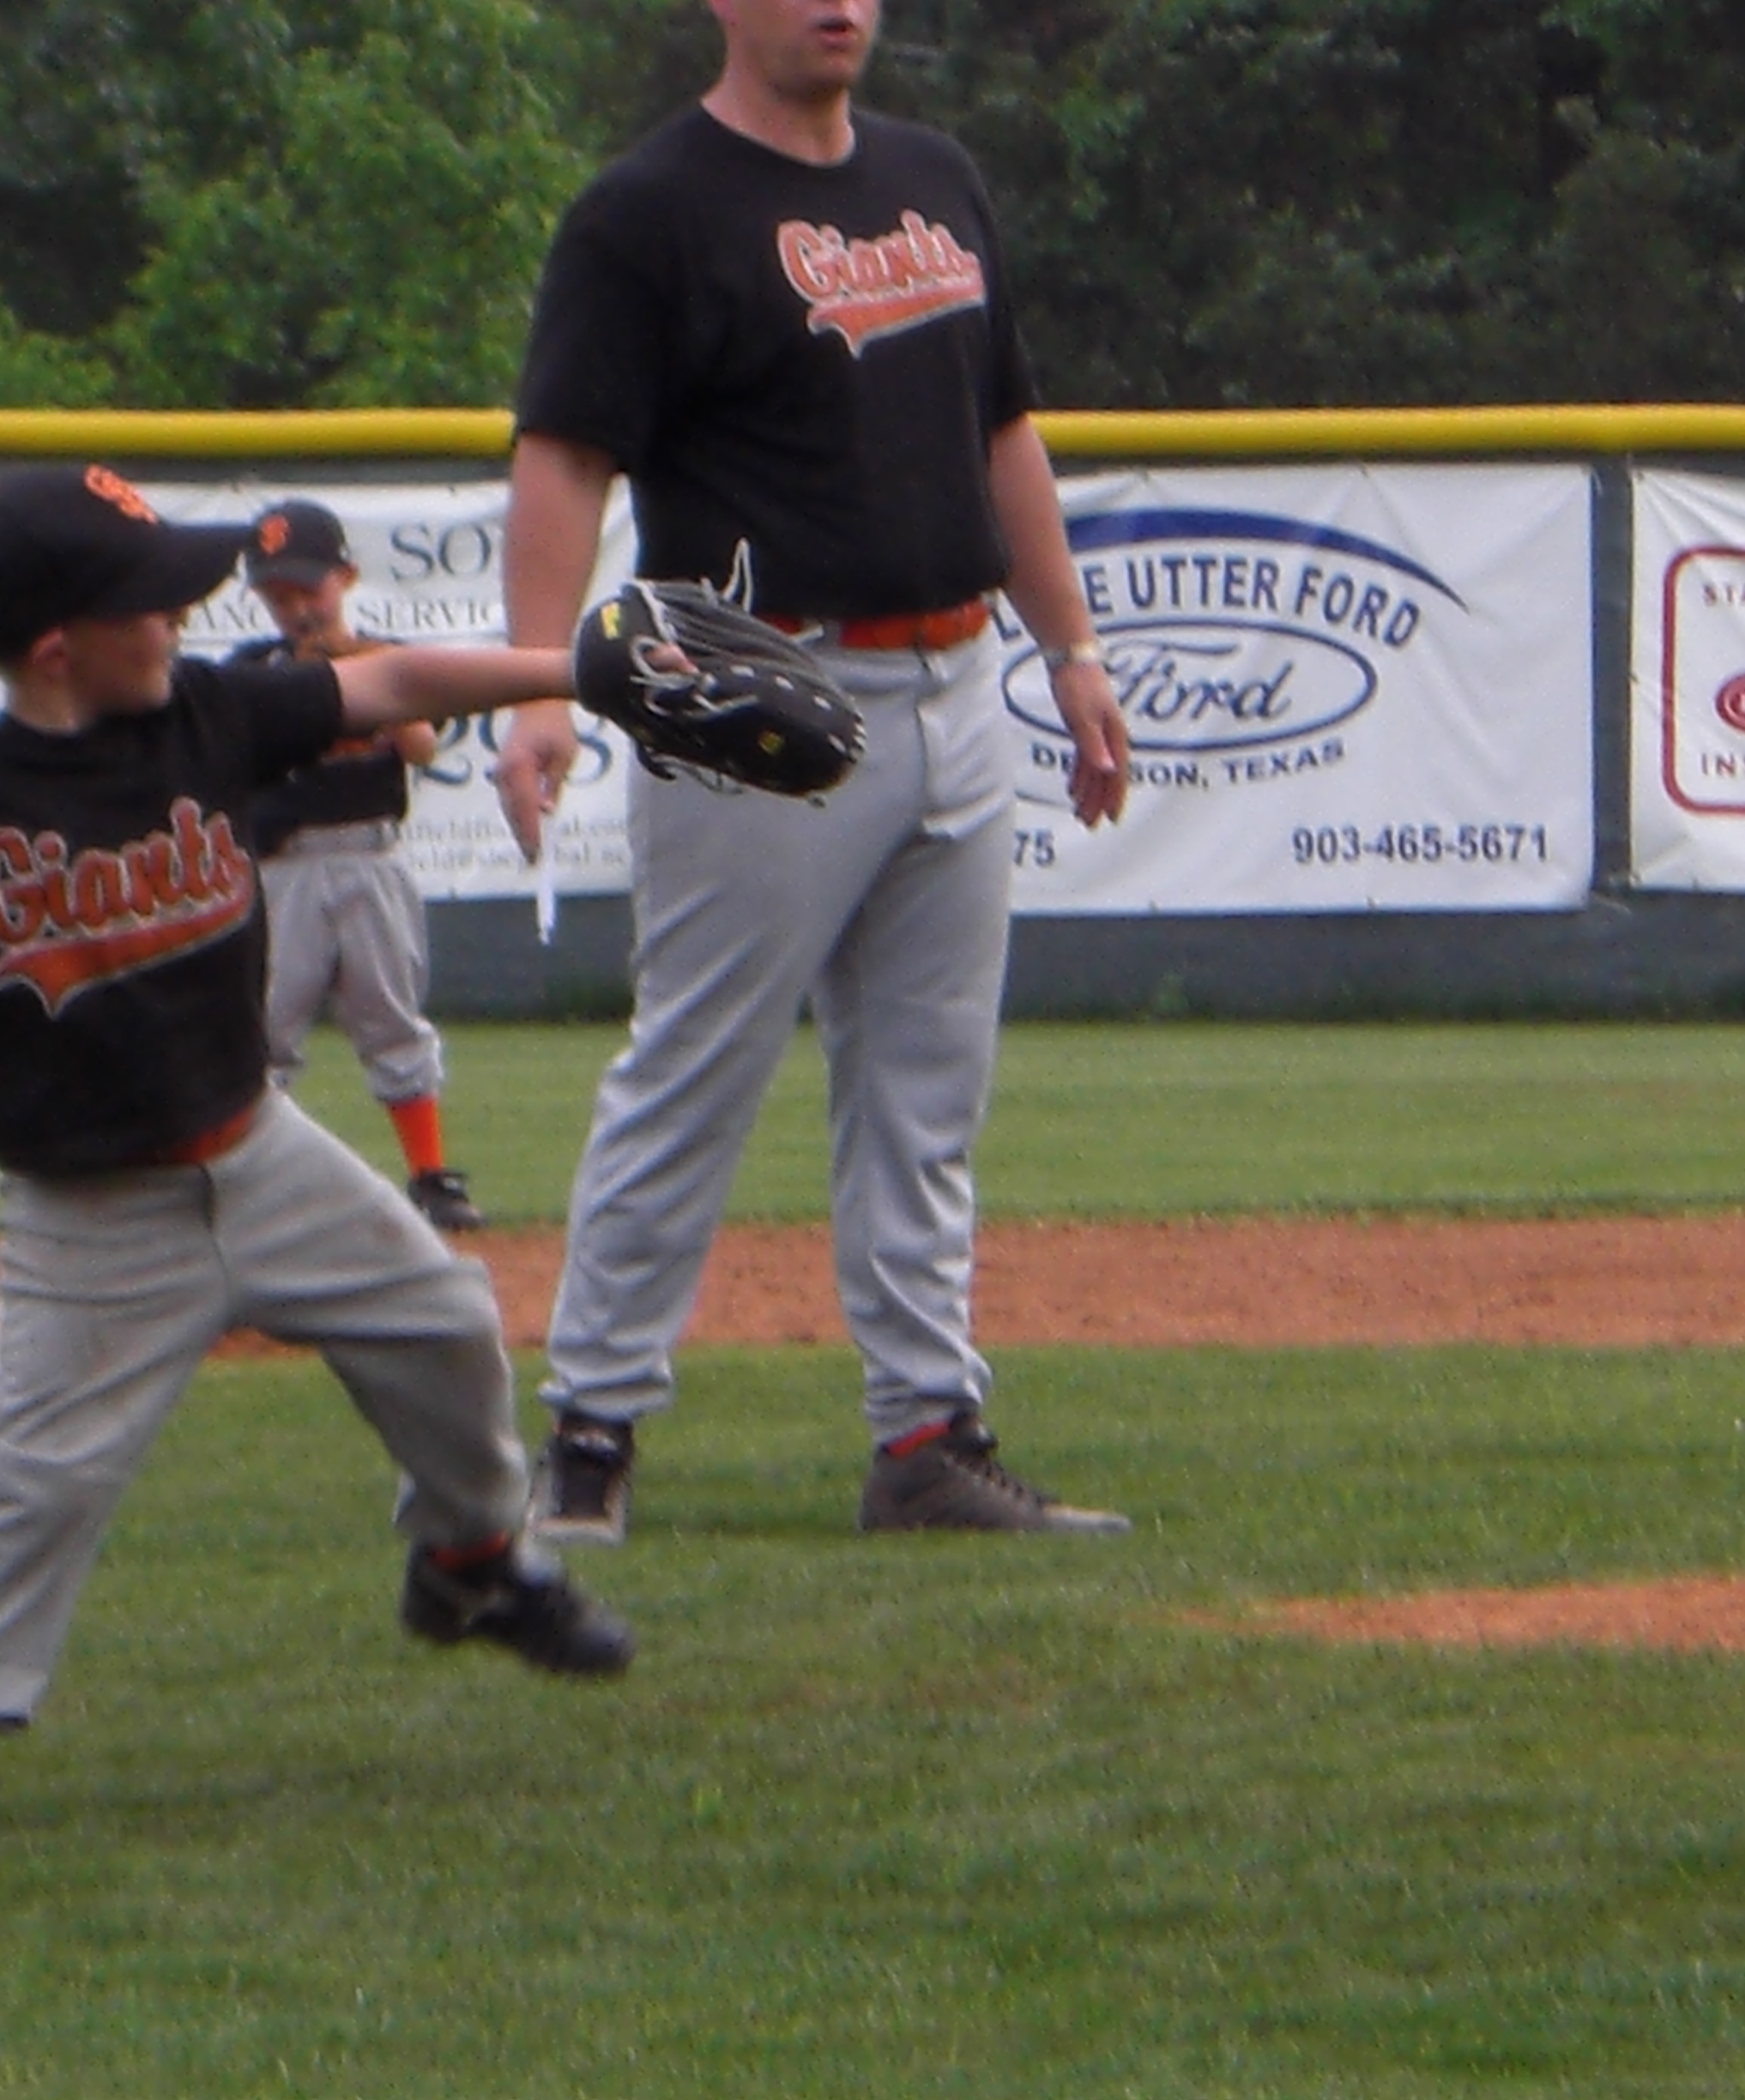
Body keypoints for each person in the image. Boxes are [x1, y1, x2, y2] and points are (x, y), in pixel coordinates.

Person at [0, 464, 634, 1839]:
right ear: (59, 644)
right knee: (46, 1473)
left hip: (264, 1153)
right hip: (91, 1214)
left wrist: (582, 668)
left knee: (447, 1323)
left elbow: (394, 680)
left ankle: (473, 1560)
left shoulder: (208, 715)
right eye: (153, 601)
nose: (183, 617)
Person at [490, 0, 1135, 1543]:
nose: (838, 3)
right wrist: (537, 685)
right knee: (695, 1067)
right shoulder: (646, 210)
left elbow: (1003, 429)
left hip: (955, 673)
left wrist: (1071, 646)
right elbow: (563, 456)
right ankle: (589, 1434)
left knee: (927, 1094)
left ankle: (925, 1437)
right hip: (751, 677)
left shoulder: (934, 175)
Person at [232, 498, 481, 1232]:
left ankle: (430, 1176)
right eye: (278, 596)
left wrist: (366, 674)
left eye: (307, 589)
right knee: (264, 1029)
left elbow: (422, 747)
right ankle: (251, 1182)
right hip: (285, 868)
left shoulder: (386, 659)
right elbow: (243, 751)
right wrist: (302, 687)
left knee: (392, 1017)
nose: (296, 609)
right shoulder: (255, 671)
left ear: (345, 577)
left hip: (371, 859)